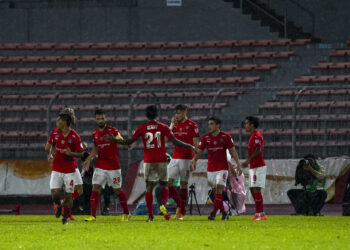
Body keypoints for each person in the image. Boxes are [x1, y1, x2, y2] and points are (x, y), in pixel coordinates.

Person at [104, 105, 197, 222]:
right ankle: (163, 204)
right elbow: (174, 141)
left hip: (149, 161)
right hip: (162, 160)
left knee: (149, 188)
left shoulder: (141, 128)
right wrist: (189, 146)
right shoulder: (163, 127)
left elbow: (129, 142)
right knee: (164, 185)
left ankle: (150, 216)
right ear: (157, 115)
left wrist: (114, 140)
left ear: (146, 115)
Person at [83, 109, 131, 222]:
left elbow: (123, 142)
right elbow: (96, 148)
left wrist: (113, 139)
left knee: (117, 190)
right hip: (100, 165)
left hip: (113, 166)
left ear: (106, 119)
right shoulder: (94, 133)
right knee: (95, 188)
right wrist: (88, 159)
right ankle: (93, 216)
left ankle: (126, 213)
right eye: (98, 119)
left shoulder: (113, 130)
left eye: (102, 118)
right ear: (95, 120)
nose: (100, 120)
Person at [192, 117, 241, 220]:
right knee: (215, 192)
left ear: (218, 125)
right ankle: (224, 212)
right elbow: (199, 151)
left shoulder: (226, 136)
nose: (209, 126)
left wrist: (238, 164)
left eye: (212, 124)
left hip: (222, 168)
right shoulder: (205, 137)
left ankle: (213, 212)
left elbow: (233, 151)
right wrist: (194, 161)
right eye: (209, 124)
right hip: (211, 169)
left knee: (219, 188)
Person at [45, 111, 84, 225]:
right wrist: (51, 155)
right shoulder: (55, 133)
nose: (57, 122)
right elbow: (49, 147)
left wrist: (71, 153)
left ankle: (65, 219)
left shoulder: (75, 136)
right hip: (57, 168)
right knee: (54, 194)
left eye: (59, 120)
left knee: (70, 194)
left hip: (70, 170)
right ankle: (60, 205)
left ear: (65, 122)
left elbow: (81, 153)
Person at [167, 104, 199, 220]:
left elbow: (196, 144)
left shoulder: (192, 125)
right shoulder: (175, 125)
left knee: (183, 185)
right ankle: (180, 205)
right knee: (168, 182)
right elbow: (166, 139)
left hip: (186, 159)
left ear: (184, 113)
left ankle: (181, 213)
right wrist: (171, 125)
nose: (177, 115)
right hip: (175, 158)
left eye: (179, 113)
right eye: (176, 113)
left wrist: (194, 160)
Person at [241, 116, 267, 221]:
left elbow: (258, 150)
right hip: (254, 166)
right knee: (253, 188)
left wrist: (248, 160)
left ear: (252, 125)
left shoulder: (256, 135)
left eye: (247, 123)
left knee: (256, 188)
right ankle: (261, 213)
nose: (245, 125)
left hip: (258, 166)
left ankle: (259, 214)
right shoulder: (253, 136)